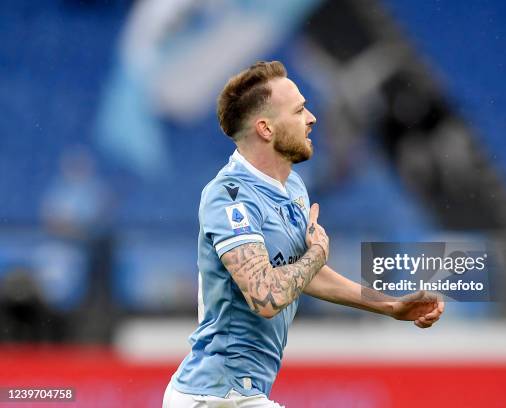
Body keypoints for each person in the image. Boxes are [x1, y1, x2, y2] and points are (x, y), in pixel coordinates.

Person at [163, 61, 445, 408]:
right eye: (299, 111)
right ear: (266, 128)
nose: (311, 118)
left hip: (241, 393)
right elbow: (265, 296)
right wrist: (314, 255)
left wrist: (388, 305)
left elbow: (303, 274)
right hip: (215, 396)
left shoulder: (292, 185)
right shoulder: (229, 196)